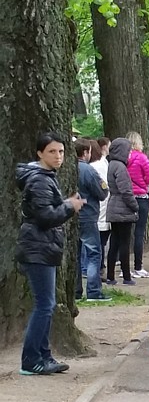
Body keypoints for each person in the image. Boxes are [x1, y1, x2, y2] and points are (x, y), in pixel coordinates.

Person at [16, 132, 85, 375]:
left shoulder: (44, 177)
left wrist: (65, 203)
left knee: (47, 304)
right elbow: (46, 217)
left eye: (61, 152)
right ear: (40, 153)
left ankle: (43, 357)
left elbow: (44, 210)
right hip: (38, 248)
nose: (58, 157)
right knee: (44, 305)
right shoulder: (40, 180)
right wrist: (70, 206)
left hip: (42, 247)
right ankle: (31, 360)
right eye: (52, 152)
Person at [74, 139, 110, 301]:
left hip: (70, 216)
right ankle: (94, 291)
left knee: (75, 255)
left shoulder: (67, 169)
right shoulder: (88, 171)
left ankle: (74, 291)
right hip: (88, 216)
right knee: (94, 253)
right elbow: (102, 192)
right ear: (85, 153)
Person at [106, 138, 139, 286]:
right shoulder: (120, 167)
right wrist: (135, 206)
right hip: (123, 209)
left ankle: (110, 276)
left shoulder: (111, 164)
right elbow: (125, 190)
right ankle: (126, 276)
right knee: (124, 243)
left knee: (114, 242)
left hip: (113, 207)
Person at [126, 132, 149, 278]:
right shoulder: (142, 158)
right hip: (141, 197)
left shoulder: (123, 158)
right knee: (139, 232)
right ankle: (138, 266)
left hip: (126, 197)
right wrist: (144, 182)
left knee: (124, 233)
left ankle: (125, 267)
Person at [90, 139, 111, 278]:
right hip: (102, 203)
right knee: (100, 239)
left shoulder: (94, 165)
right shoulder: (102, 164)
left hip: (98, 206)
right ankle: (100, 268)